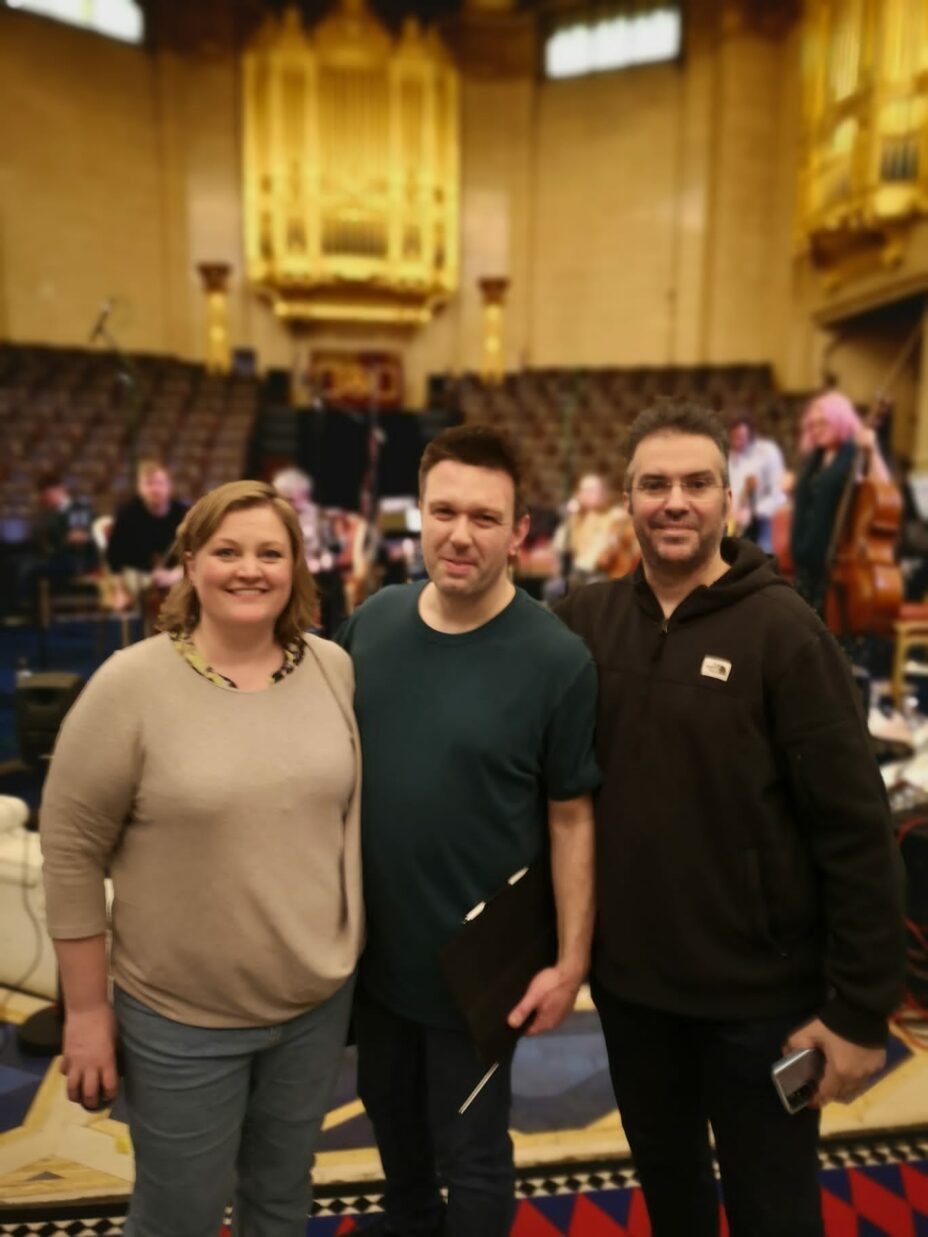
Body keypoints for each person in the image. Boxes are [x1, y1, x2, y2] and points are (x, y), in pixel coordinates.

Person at [556, 400, 905, 1237]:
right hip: (635, 996)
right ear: (626, 501)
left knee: (773, 1213)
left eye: (696, 482)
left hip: (762, 1006)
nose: (674, 500)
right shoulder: (585, 621)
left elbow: (856, 832)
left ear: (730, 500)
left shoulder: (787, 632)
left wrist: (860, 1012)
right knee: (673, 1203)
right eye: (654, 484)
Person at [40, 479, 363, 1237]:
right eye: (226, 551)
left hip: (314, 1006)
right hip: (183, 1018)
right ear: (190, 562)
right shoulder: (131, 686)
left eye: (269, 552)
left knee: (281, 1201)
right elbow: (71, 848)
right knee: (178, 1215)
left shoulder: (331, 668)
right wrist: (86, 1010)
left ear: (296, 567)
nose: (248, 569)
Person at [338, 425, 599, 1237]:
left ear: (520, 531)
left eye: (485, 517)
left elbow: (571, 817)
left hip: (481, 966)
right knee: (392, 1123)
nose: (459, 533)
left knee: (475, 1158)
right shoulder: (371, 624)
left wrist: (571, 961)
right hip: (373, 954)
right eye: (443, 510)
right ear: (416, 514)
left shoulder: (557, 660)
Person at [790, 391, 890, 615]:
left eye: (823, 423)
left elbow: (883, 491)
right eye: (812, 425)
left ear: (841, 420)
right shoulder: (816, 459)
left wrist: (872, 451)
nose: (816, 430)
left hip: (840, 557)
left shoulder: (856, 454)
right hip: (808, 560)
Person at [9, 473, 98, 619]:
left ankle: (23, 607)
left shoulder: (78, 509)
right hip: (55, 557)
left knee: (29, 568)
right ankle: (30, 610)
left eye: (48, 494)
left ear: (59, 489)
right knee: (17, 563)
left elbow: (77, 539)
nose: (45, 499)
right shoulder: (50, 515)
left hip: (76, 561)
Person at [272, 466, 347, 635]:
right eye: (282, 499)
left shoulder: (320, 517)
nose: (286, 505)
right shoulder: (272, 516)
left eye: (291, 499)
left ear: (304, 496)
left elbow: (336, 549)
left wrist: (323, 561)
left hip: (315, 576)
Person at [106, 458, 187, 611]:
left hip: (176, 573)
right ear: (139, 488)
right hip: (137, 574)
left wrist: (173, 576)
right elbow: (114, 558)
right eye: (149, 483)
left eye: (160, 483)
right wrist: (119, 591)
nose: (155, 489)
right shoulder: (127, 515)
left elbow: (196, 556)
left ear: (169, 487)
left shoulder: (184, 514)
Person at [545, 472, 636, 601]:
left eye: (593, 490)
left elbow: (614, 547)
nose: (588, 494)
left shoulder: (616, 516)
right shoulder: (574, 518)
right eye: (585, 490)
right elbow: (560, 547)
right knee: (553, 589)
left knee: (590, 591)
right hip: (577, 574)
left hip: (602, 574)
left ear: (604, 493)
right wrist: (569, 518)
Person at [727, 415, 786, 552]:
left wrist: (753, 512)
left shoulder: (767, 452)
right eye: (734, 437)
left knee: (763, 559)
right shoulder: (727, 455)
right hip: (732, 524)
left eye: (741, 437)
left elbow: (778, 493)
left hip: (761, 523)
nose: (737, 442)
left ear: (750, 434)